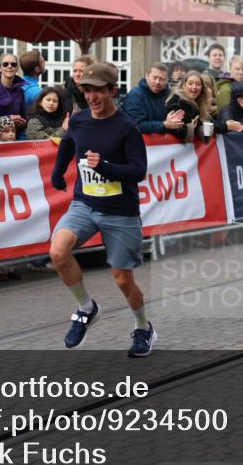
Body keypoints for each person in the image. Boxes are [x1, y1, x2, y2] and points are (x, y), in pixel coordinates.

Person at [48, 62, 155, 357]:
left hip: (120, 211)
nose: (92, 97)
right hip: (85, 204)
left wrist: (105, 167)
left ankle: (143, 327)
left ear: (112, 91)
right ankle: (86, 308)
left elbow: (138, 171)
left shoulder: (127, 128)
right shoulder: (80, 120)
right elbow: (68, 142)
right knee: (58, 251)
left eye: (98, 91)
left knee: (122, 278)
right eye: (87, 91)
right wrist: (58, 172)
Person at [122, 63, 185, 137]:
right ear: (147, 76)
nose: (157, 82)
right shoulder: (135, 95)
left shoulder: (170, 96)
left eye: (162, 79)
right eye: (155, 78)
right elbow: (136, 125)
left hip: (165, 143)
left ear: (167, 80)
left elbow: (177, 122)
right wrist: (164, 125)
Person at [164, 70, 212, 140]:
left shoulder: (198, 103)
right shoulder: (176, 102)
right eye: (190, 83)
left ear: (202, 87)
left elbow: (202, 123)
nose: (194, 87)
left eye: (198, 84)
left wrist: (203, 130)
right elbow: (174, 129)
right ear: (184, 85)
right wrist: (190, 128)